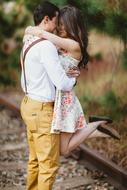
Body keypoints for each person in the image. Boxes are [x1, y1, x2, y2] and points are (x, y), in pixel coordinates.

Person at [24, 4, 120, 158]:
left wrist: (30, 29)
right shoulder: (60, 42)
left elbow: (44, 35)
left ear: (73, 25)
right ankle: (97, 129)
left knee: (64, 150)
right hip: (55, 99)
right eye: (59, 23)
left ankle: (95, 125)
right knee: (62, 145)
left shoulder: (74, 45)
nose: (60, 28)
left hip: (65, 102)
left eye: (63, 24)